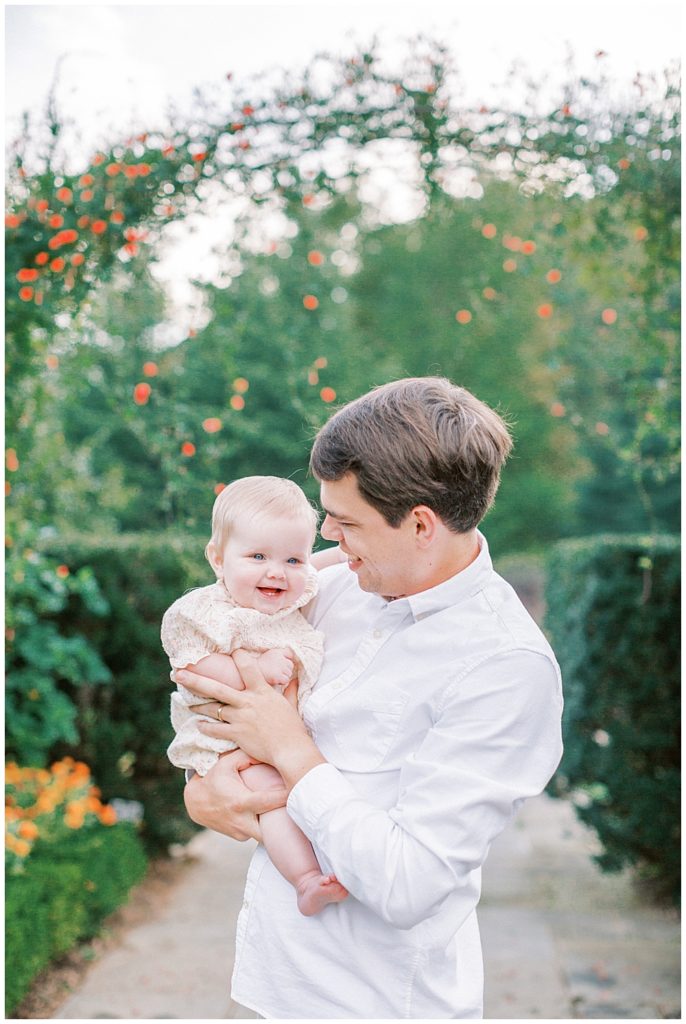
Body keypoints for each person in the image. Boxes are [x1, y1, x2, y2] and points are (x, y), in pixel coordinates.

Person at [179, 377, 564, 1019]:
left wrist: (289, 749)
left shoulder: (505, 668)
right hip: (270, 980)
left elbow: (408, 882)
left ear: (419, 525)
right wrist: (206, 790)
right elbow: (215, 646)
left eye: (346, 521)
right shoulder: (335, 588)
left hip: (377, 1001)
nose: (327, 536)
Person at [161, 475, 348, 916]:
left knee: (289, 787)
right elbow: (190, 667)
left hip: (270, 736)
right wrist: (257, 672)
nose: (276, 571)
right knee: (274, 795)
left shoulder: (291, 594)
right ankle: (305, 878)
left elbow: (320, 566)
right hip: (224, 741)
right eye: (258, 556)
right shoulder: (205, 613)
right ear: (218, 559)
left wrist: (350, 549)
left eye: (292, 558)